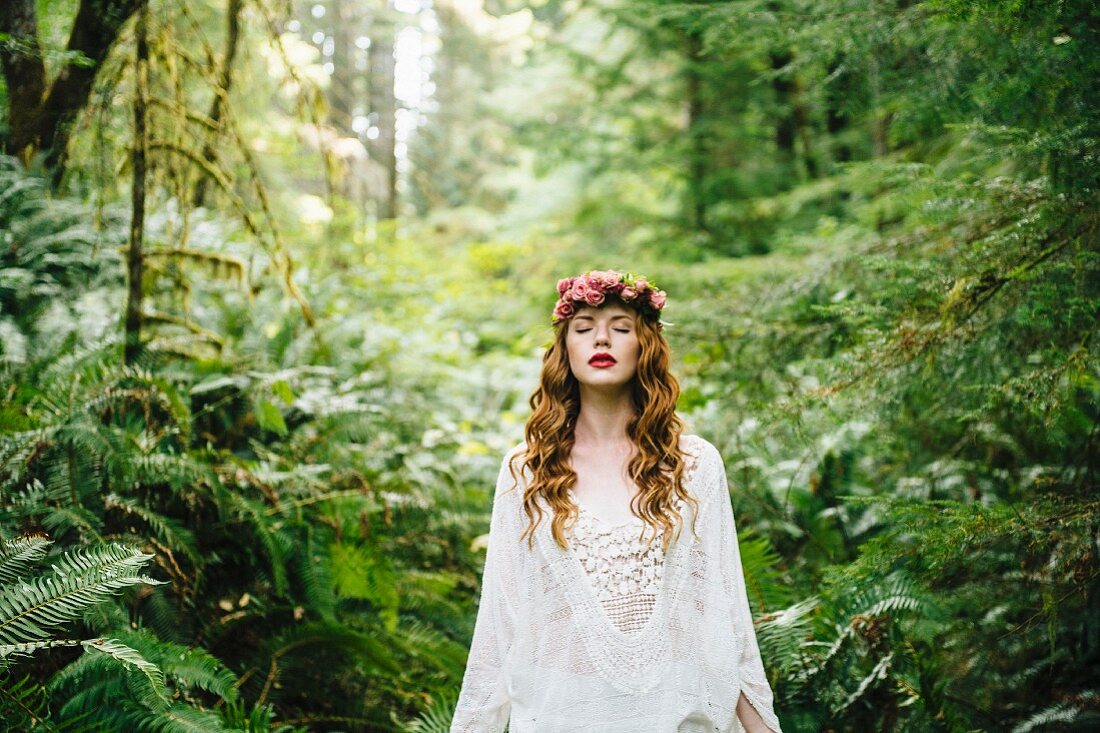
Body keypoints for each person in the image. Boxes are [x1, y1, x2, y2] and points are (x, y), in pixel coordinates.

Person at [450, 269, 783, 733]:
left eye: (621, 328)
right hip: (562, 717)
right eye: (583, 328)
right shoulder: (525, 470)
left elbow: (724, 614)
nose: (601, 339)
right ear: (564, 348)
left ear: (644, 345)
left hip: (680, 719)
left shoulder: (695, 465)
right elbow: (498, 625)